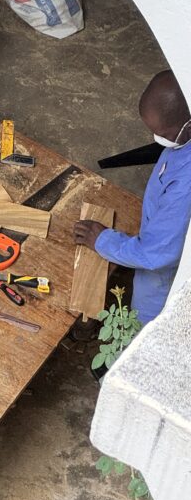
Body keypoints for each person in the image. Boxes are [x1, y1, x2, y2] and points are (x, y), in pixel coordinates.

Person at [75, 70, 191, 324]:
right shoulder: (183, 142)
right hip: (160, 232)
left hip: (164, 279)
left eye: (165, 133)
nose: (159, 139)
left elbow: (155, 255)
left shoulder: (185, 189)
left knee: (145, 326)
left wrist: (102, 240)